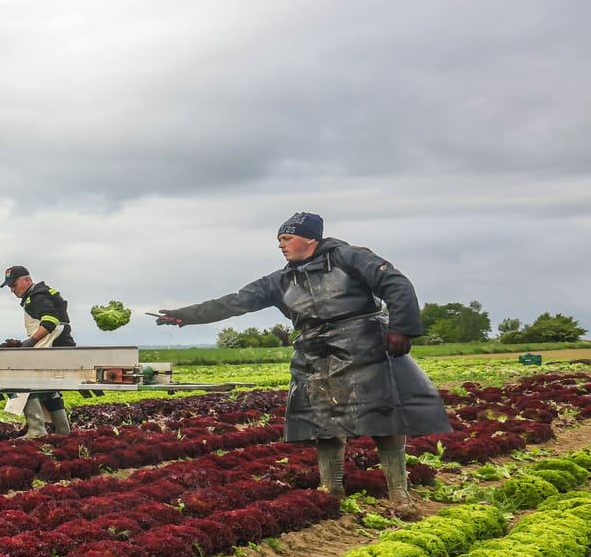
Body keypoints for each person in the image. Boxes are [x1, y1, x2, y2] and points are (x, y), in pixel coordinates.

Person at [156, 212, 451, 511]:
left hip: (364, 343)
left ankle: (399, 492)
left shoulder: (349, 257)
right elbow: (234, 302)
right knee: (322, 420)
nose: (281, 246)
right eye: (279, 240)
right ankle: (331, 487)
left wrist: (402, 327)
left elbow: (395, 284)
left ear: (310, 238)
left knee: (385, 416)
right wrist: (185, 316)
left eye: (287, 238)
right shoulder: (280, 280)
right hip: (315, 350)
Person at [0, 265, 76, 437]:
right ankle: (63, 431)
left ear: (27, 280)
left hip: (52, 347)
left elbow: (50, 321)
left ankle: (36, 430)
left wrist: (30, 342)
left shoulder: (36, 296)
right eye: (9, 286)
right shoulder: (41, 293)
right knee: (47, 389)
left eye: (14, 285)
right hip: (61, 347)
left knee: (19, 381)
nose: (12, 289)